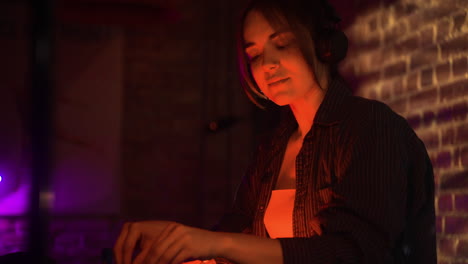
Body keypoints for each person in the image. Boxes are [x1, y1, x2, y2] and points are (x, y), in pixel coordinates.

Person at [113, 0, 437, 263]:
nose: (266, 63)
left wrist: (216, 244)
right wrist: (176, 241)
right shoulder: (273, 147)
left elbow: (356, 253)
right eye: (253, 54)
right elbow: (236, 237)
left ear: (325, 46)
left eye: (281, 43)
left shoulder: (370, 126)